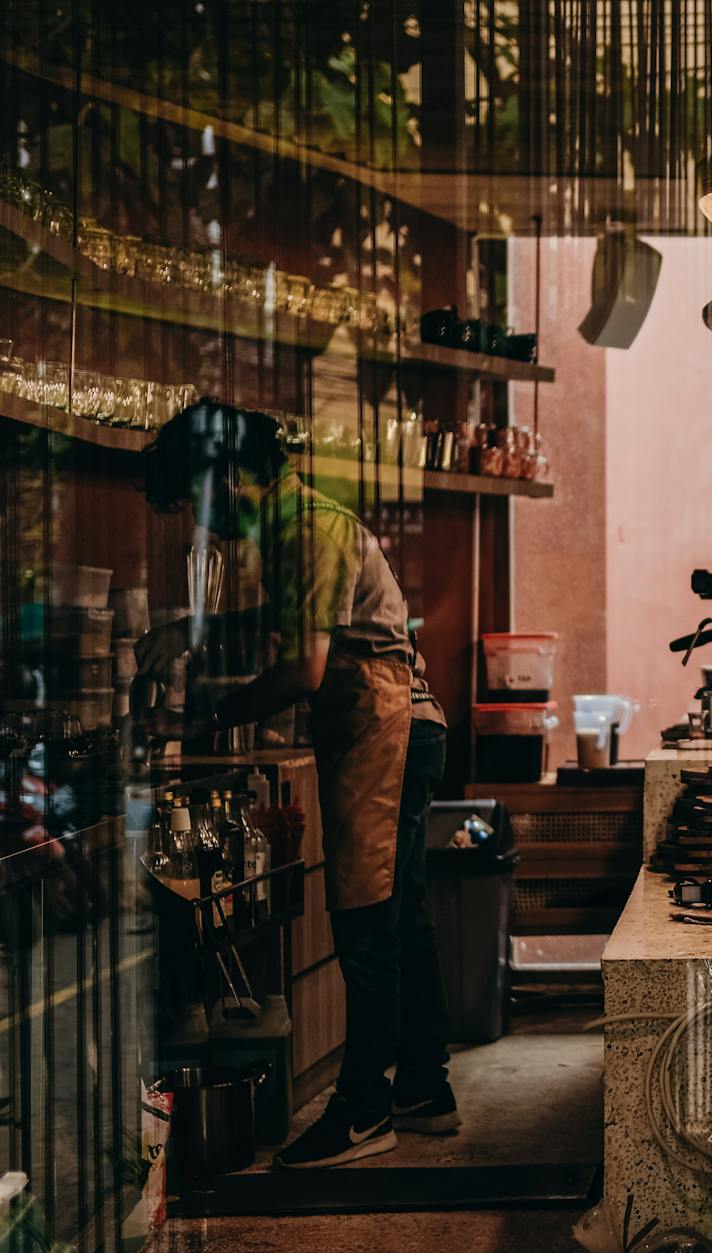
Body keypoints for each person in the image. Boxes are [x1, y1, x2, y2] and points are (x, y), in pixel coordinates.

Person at [138, 401, 458, 1169]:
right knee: (402, 916)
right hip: (397, 727)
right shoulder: (297, 523)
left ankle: (363, 1108)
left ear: (226, 477)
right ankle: (423, 1087)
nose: (204, 523)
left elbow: (305, 669)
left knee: (365, 919)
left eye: (197, 501)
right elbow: (291, 623)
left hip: (386, 728)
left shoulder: (307, 529)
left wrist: (202, 717)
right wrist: (193, 632)